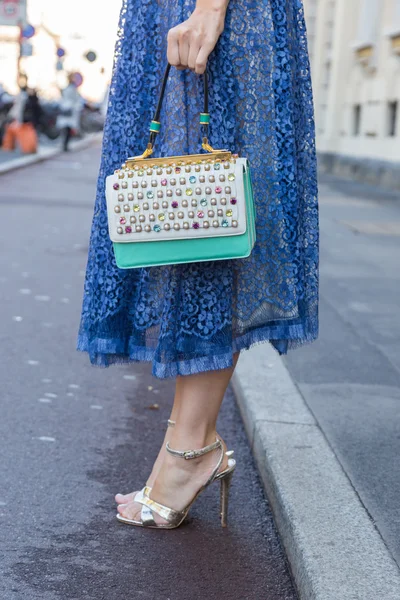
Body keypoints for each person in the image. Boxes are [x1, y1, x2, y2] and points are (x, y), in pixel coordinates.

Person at [77, 0, 319, 529]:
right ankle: (192, 443)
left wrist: (210, 6)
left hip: (207, 12)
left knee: (207, 212)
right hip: (171, 14)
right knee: (187, 212)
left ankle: (188, 450)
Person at [57, 74, 82, 151]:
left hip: (66, 111)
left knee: (66, 130)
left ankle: (64, 145)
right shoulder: (72, 90)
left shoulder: (67, 89)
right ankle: (65, 145)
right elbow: (76, 100)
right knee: (67, 130)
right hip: (69, 111)